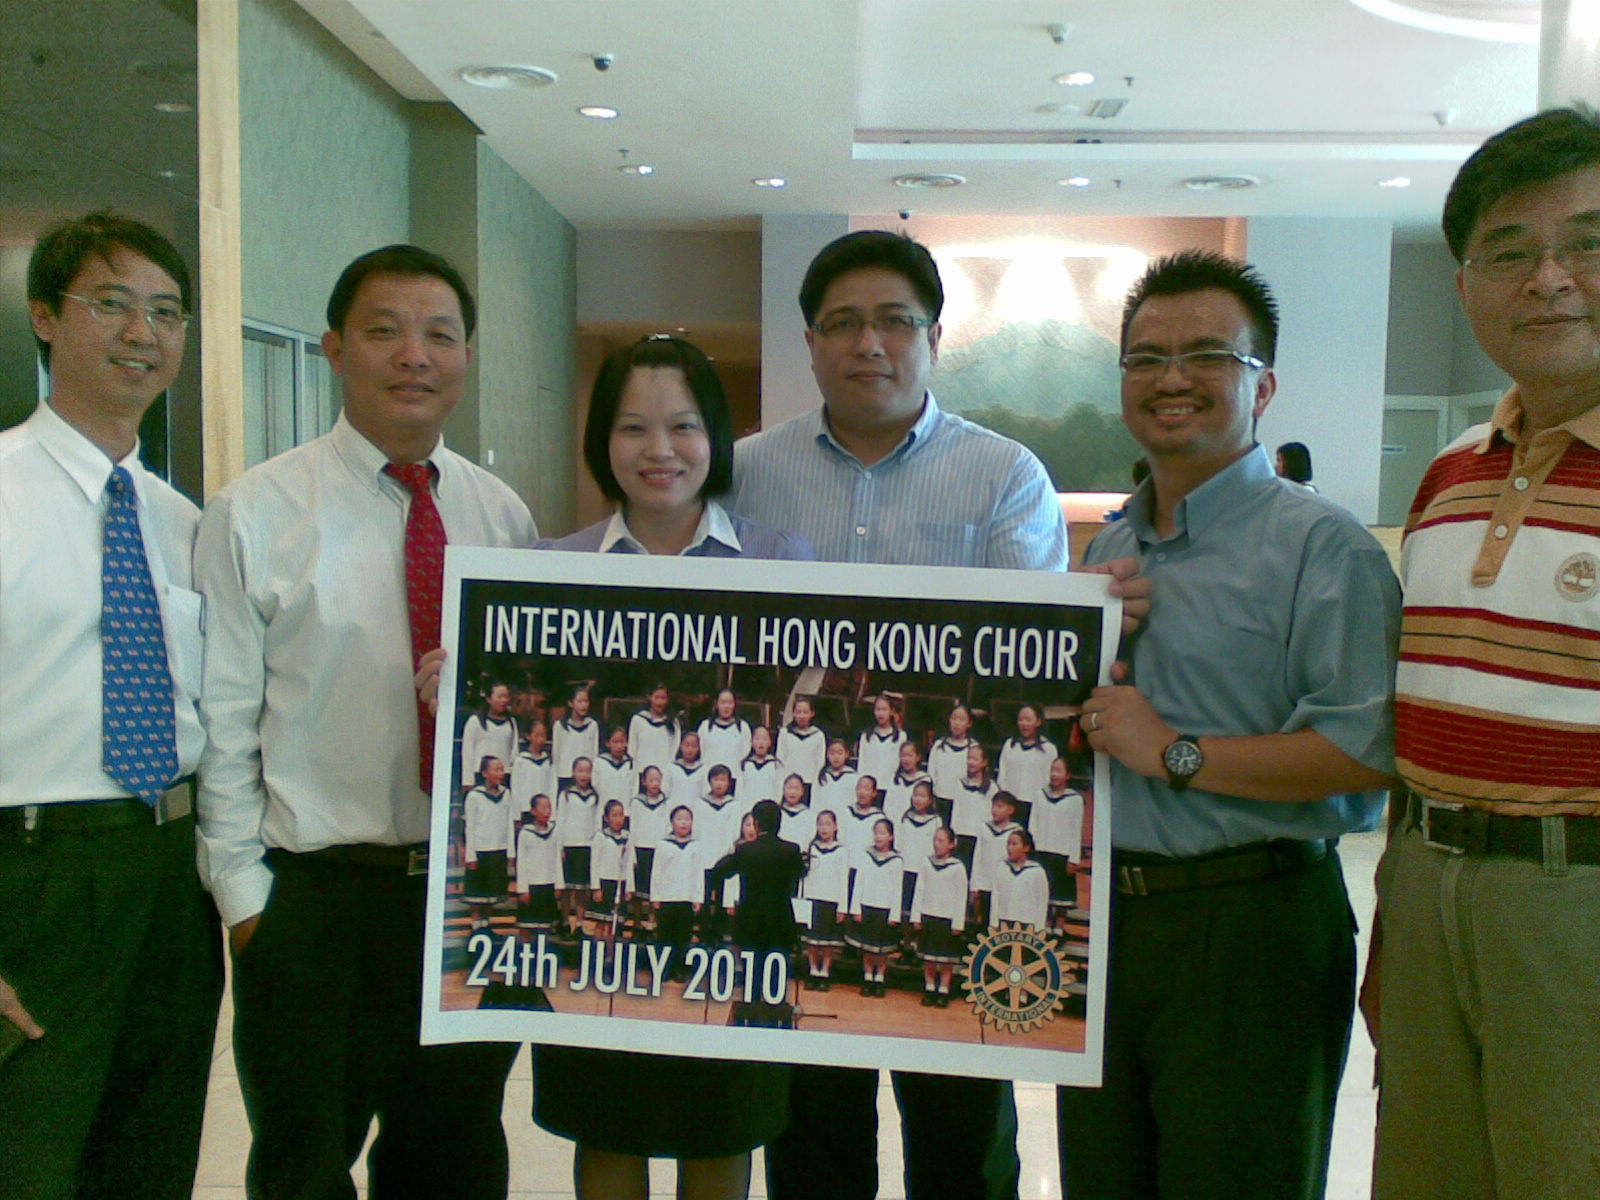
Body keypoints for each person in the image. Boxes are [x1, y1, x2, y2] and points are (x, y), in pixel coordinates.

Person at [727, 227, 1148, 1200]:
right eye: (842, 323)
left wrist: (1087, 625)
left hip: (946, 823)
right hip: (809, 812)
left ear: (934, 337)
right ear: (809, 342)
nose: (867, 343)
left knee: (962, 1138)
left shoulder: (1004, 476)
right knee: (811, 1133)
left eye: (893, 321)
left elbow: (1029, 661)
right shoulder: (745, 471)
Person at [1056, 249, 1401, 1200]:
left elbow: (1361, 754)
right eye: (1145, 358)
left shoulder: (1322, 546)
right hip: (1106, 924)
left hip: (1253, 926)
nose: (1171, 378)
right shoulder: (1113, 545)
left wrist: (1172, 751)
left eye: (1208, 355)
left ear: (1264, 386)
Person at [195, 244, 532, 1198]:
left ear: (466, 356)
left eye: (439, 335)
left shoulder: (501, 516)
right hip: (315, 901)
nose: (414, 355)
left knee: (452, 1159)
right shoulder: (256, 511)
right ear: (335, 348)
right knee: (303, 1166)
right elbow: (224, 722)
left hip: (466, 897)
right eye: (385, 331)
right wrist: (246, 901)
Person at [1367, 105, 1600, 1200]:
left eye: (1586, 243)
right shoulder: (1451, 475)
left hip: (1576, 904)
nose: (1550, 279)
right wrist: (1395, 921)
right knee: (1424, 1173)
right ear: (1465, 286)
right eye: (1510, 252)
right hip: (1427, 879)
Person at [526, 333, 812, 1200]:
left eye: (684, 426)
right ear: (602, 441)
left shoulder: (782, 561)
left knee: (722, 1127)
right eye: (633, 428)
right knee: (607, 1126)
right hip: (615, 870)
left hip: (722, 864)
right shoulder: (551, 566)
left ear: (715, 437)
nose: (660, 450)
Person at [0, 211, 223, 1200]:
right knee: (30, 1159)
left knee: (151, 1157)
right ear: (45, 316)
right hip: (34, 873)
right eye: (113, 304)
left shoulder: (182, 522)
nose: (144, 333)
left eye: (167, 312)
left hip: (170, 874)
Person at [910, 825, 969, 1007]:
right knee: (929, 956)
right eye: (935, 840)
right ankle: (929, 987)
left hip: (947, 918)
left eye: (941, 840)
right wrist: (916, 915)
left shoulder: (957, 867)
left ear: (951, 844)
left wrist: (958, 922)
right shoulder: (926, 863)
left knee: (945, 958)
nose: (937, 844)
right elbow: (919, 889)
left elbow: (961, 896)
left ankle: (943, 989)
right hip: (928, 915)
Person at [847, 818, 905, 998]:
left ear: (891, 837)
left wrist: (894, 913)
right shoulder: (866, 855)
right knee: (868, 948)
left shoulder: (896, 860)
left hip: (885, 909)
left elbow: (897, 889)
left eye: (883, 833)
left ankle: (879, 978)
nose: (879, 836)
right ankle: (867, 977)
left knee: (882, 949)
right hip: (867, 906)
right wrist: (856, 908)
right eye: (876, 833)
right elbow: (859, 882)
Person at [462, 754, 516, 932]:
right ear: (485, 773)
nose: (501, 773)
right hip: (480, 850)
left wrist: (510, 851)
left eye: (502, 769)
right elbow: (470, 826)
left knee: (492, 893)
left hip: (498, 849)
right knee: (477, 893)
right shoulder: (474, 796)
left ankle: (486, 925)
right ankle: (476, 925)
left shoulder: (506, 794)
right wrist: (470, 854)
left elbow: (509, 823)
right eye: (496, 769)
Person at [460, 680, 519, 790]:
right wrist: (468, 781)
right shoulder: (475, 721)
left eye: (506, 697)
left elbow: (514, 751)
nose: (503, 700)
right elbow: (468, 752)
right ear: (489, 698)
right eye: (500, 697)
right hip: (481, 776)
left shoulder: (511, 722)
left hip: (503, 775)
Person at [989, 830, 1049, 929]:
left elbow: (1041, 901)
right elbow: (995, 895)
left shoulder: (1037, 871)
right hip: (1004, 920)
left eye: (1014, 844)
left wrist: (1039, 928)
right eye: (1008, 844)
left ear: (1026, 848)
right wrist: (993, 922)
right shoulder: (1002, 867)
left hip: (1027, 923)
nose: (1010, 848)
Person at [777, 694, 827, 785]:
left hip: (810, 781)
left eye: (805, 712)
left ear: (812, 713)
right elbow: (780, 758)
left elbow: (820, 762)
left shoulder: (818, 735)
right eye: (798, 712)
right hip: (789, 782)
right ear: (793, 713)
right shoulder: (785, 733)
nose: (802, 716)